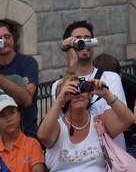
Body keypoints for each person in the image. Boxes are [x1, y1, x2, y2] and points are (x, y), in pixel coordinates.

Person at [52, 21, 127, 150]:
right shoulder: (57, 86)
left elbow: (116, 121)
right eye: (78, 40)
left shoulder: (110, 78)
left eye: (88, 39)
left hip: (112, 159)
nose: (84, 43)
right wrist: (72, 62)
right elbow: (62, 118)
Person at [38, 76, 132, 172]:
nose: (78, 94)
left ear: (89, 96)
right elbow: (43, 136)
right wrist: (59, 101)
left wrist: (107, 94)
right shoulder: (57, 127)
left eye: (81, 89)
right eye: (72, 91)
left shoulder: (98, 122)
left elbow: (128, 120)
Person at [0, 24, 39, 139]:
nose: (4, 40)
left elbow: (26, 98)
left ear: (13, 39)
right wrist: (18, 86)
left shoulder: (28, 62)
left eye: (7, 36)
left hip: (27, 132)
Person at [0, 95, 45, 172]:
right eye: (2, 116)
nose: (9, 119)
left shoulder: (33, 144)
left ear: (18, 116)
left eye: (12, 113)